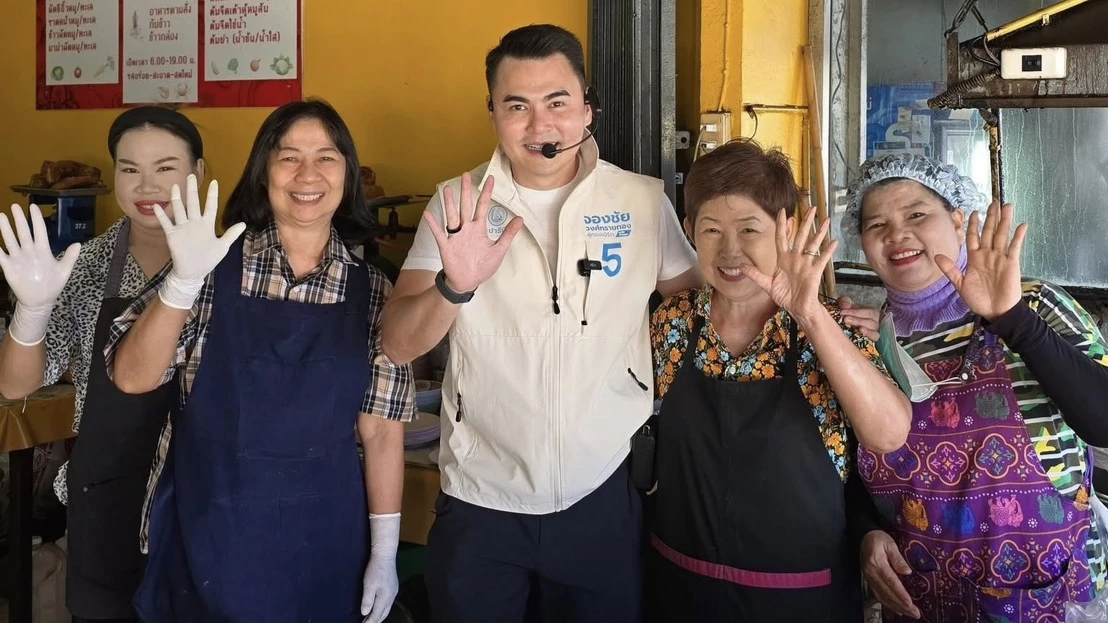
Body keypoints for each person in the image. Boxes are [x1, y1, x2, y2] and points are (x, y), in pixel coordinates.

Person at [380, 24, 699, 623]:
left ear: (587, 109)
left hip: (603, 492)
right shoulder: (456, 204)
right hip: (480, 498)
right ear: (493, 114)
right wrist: (455, 286)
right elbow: (396, 344)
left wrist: (812, 312)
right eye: (517, 106)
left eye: (557, 102)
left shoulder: (640, 201)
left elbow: (699, 309)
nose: (539, 125)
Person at [106, 100, 414, 623]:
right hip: (208, 537)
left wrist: (384, 552)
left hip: (326, 547)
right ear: (263, 171)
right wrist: (181, 283)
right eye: (288, 157)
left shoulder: (375, 291)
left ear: (347, 174)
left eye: (326, 157)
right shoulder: (209, 268)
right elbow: (132, 378)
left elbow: (381, 431)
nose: (308, 175)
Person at [644, 139, 911, 622]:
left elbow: (889, 434)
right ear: (689, 232)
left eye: (750, 229)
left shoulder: (830, 327)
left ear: (785, 229)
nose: (731, 251)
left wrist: (810, 313)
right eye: (711, 229)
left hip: (799, 597)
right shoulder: (672, 323)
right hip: (681, 587)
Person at [841, 153, 1108, 621]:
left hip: (1048, 595)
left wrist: (1012, 319)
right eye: (876, 224)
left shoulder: (1034, 304)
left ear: (958, 218)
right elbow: (850, 461)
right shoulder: (867, 341)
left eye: (916, 214)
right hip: (921, 599)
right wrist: (865, 531)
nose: (896, 234)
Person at [0, 106, 204, 623]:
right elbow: (17, 385)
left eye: (165, 167)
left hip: (205, 495)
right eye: (129, 169)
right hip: (108, 499)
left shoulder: (228, 262)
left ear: (198, 172)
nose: (146, 185)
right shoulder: (84, 265)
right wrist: (32, 310)